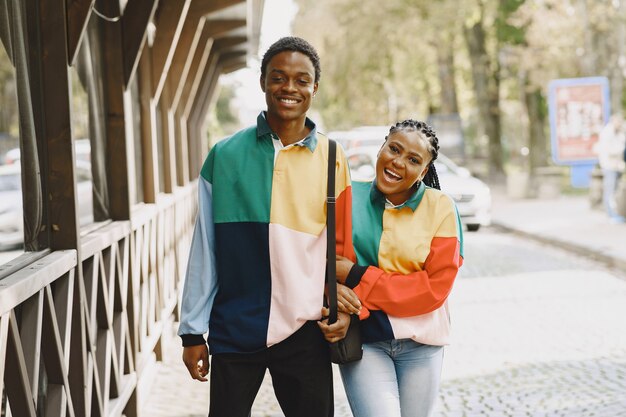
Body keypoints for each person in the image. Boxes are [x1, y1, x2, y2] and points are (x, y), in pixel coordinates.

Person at [177, 36, 355, 417]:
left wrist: (343, 313)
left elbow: (341, 251)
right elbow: (206, 249)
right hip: (234, 326)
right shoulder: (223, 156)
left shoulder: (333, 158)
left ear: (314, 88)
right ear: (262, 82)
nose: (289, 88)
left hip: (305, 330)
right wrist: (192, 332)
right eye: (278, 77)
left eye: (301, 80)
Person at [333, 119, 464, 417]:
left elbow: (434, 289)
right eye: (394, 149)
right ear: (381, 147)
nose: (398, 162)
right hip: (366, 341)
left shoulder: (442, 208)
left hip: (423, 345)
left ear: (424, 171)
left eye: (413, 160)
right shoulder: (347, 198)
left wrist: (357, 276)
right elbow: (324, 266)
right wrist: (335, 291)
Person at [594, 113, 626, 222]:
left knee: (616, 191)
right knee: (610, 190)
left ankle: (616, 212)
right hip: (609, 166)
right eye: (619, 121)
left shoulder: (620, 132)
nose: (620, 124)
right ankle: (611, 214)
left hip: (618, 166)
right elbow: (609, 150)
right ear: (613, 121)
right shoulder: (607, 133)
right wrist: (621, 148)